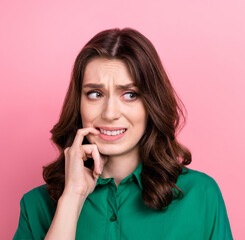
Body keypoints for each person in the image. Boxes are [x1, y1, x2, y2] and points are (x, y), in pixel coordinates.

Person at [13, 28, 233, 240]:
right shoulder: (37, 205)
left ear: (151, 104)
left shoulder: (201, 196)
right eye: (95, 94)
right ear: (78, 103)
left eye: (129, 94)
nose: (110, 114)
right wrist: (72, 198)